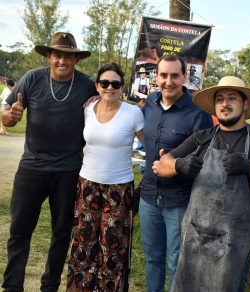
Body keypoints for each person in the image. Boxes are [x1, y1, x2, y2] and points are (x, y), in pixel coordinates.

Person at [152, 76, 250, 291]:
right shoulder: (201, 138)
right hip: (195, 234)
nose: (225, 104)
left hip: (233, 240)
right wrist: (180, 165)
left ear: (245, 104)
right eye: (219, 99)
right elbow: (162, 165)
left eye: (232, 98)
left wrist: (249, 167)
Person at [1, 32, 97, 292]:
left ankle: (49, 286)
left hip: (68, 170)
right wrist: (11, 116)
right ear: (49, 56)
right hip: (31, 167)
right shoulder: (32, 79)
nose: (62, 60)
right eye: (57, 55)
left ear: (76, 59)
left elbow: (106, 107)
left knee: (62, 232)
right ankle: (12, 287)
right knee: (20, 231)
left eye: (68, 55)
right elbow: (7, 117)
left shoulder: (87, 85)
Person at [66, 63, 144, 291]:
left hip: (118, 189)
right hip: (87, 184)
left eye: (115, 83)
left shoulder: (133, 113)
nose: (110, 87)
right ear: (97, 86)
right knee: (83, 244)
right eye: (104, 83)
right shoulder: (87, 109)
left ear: (123, 87)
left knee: (113, 247)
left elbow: (150, 144)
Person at [139, 54, 213, 292]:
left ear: (184, 78)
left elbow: (202, 159)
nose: (168, 81)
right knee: (153, 259)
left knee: (176, 263)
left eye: (174, 76)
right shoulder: (149, 103)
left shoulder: (198, 113)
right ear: (156, 77)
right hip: (149, 197)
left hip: (180, 201)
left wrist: (175, 165)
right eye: (163, 75)